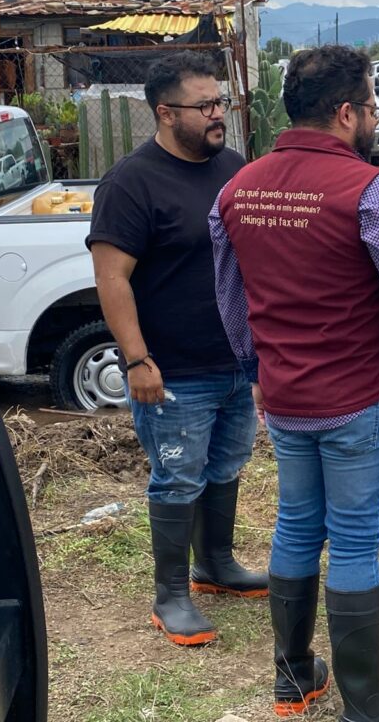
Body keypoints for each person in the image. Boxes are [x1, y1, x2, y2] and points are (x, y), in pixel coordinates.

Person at [211, 44, 379, 722]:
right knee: (356, 536)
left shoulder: (237, 189)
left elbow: (230, 299)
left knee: (295, 525)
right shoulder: (373, 192)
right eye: (370, 106)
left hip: (285, 396)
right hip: (357, 396)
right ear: (345, 112)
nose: (374, 117)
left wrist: (256, 370)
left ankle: (294, 678)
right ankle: (365, 701)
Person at [87, 51, 266, 648]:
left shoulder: (233, 168)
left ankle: (215, 564)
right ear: (165, 113)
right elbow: (111, 279)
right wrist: (137, 359)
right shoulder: (131, 183)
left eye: (221, 102)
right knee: (177, 478)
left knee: (225, 467)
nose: (218, 114)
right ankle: (170, 596)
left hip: (236, 360)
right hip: (172, 370)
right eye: (205, 106)